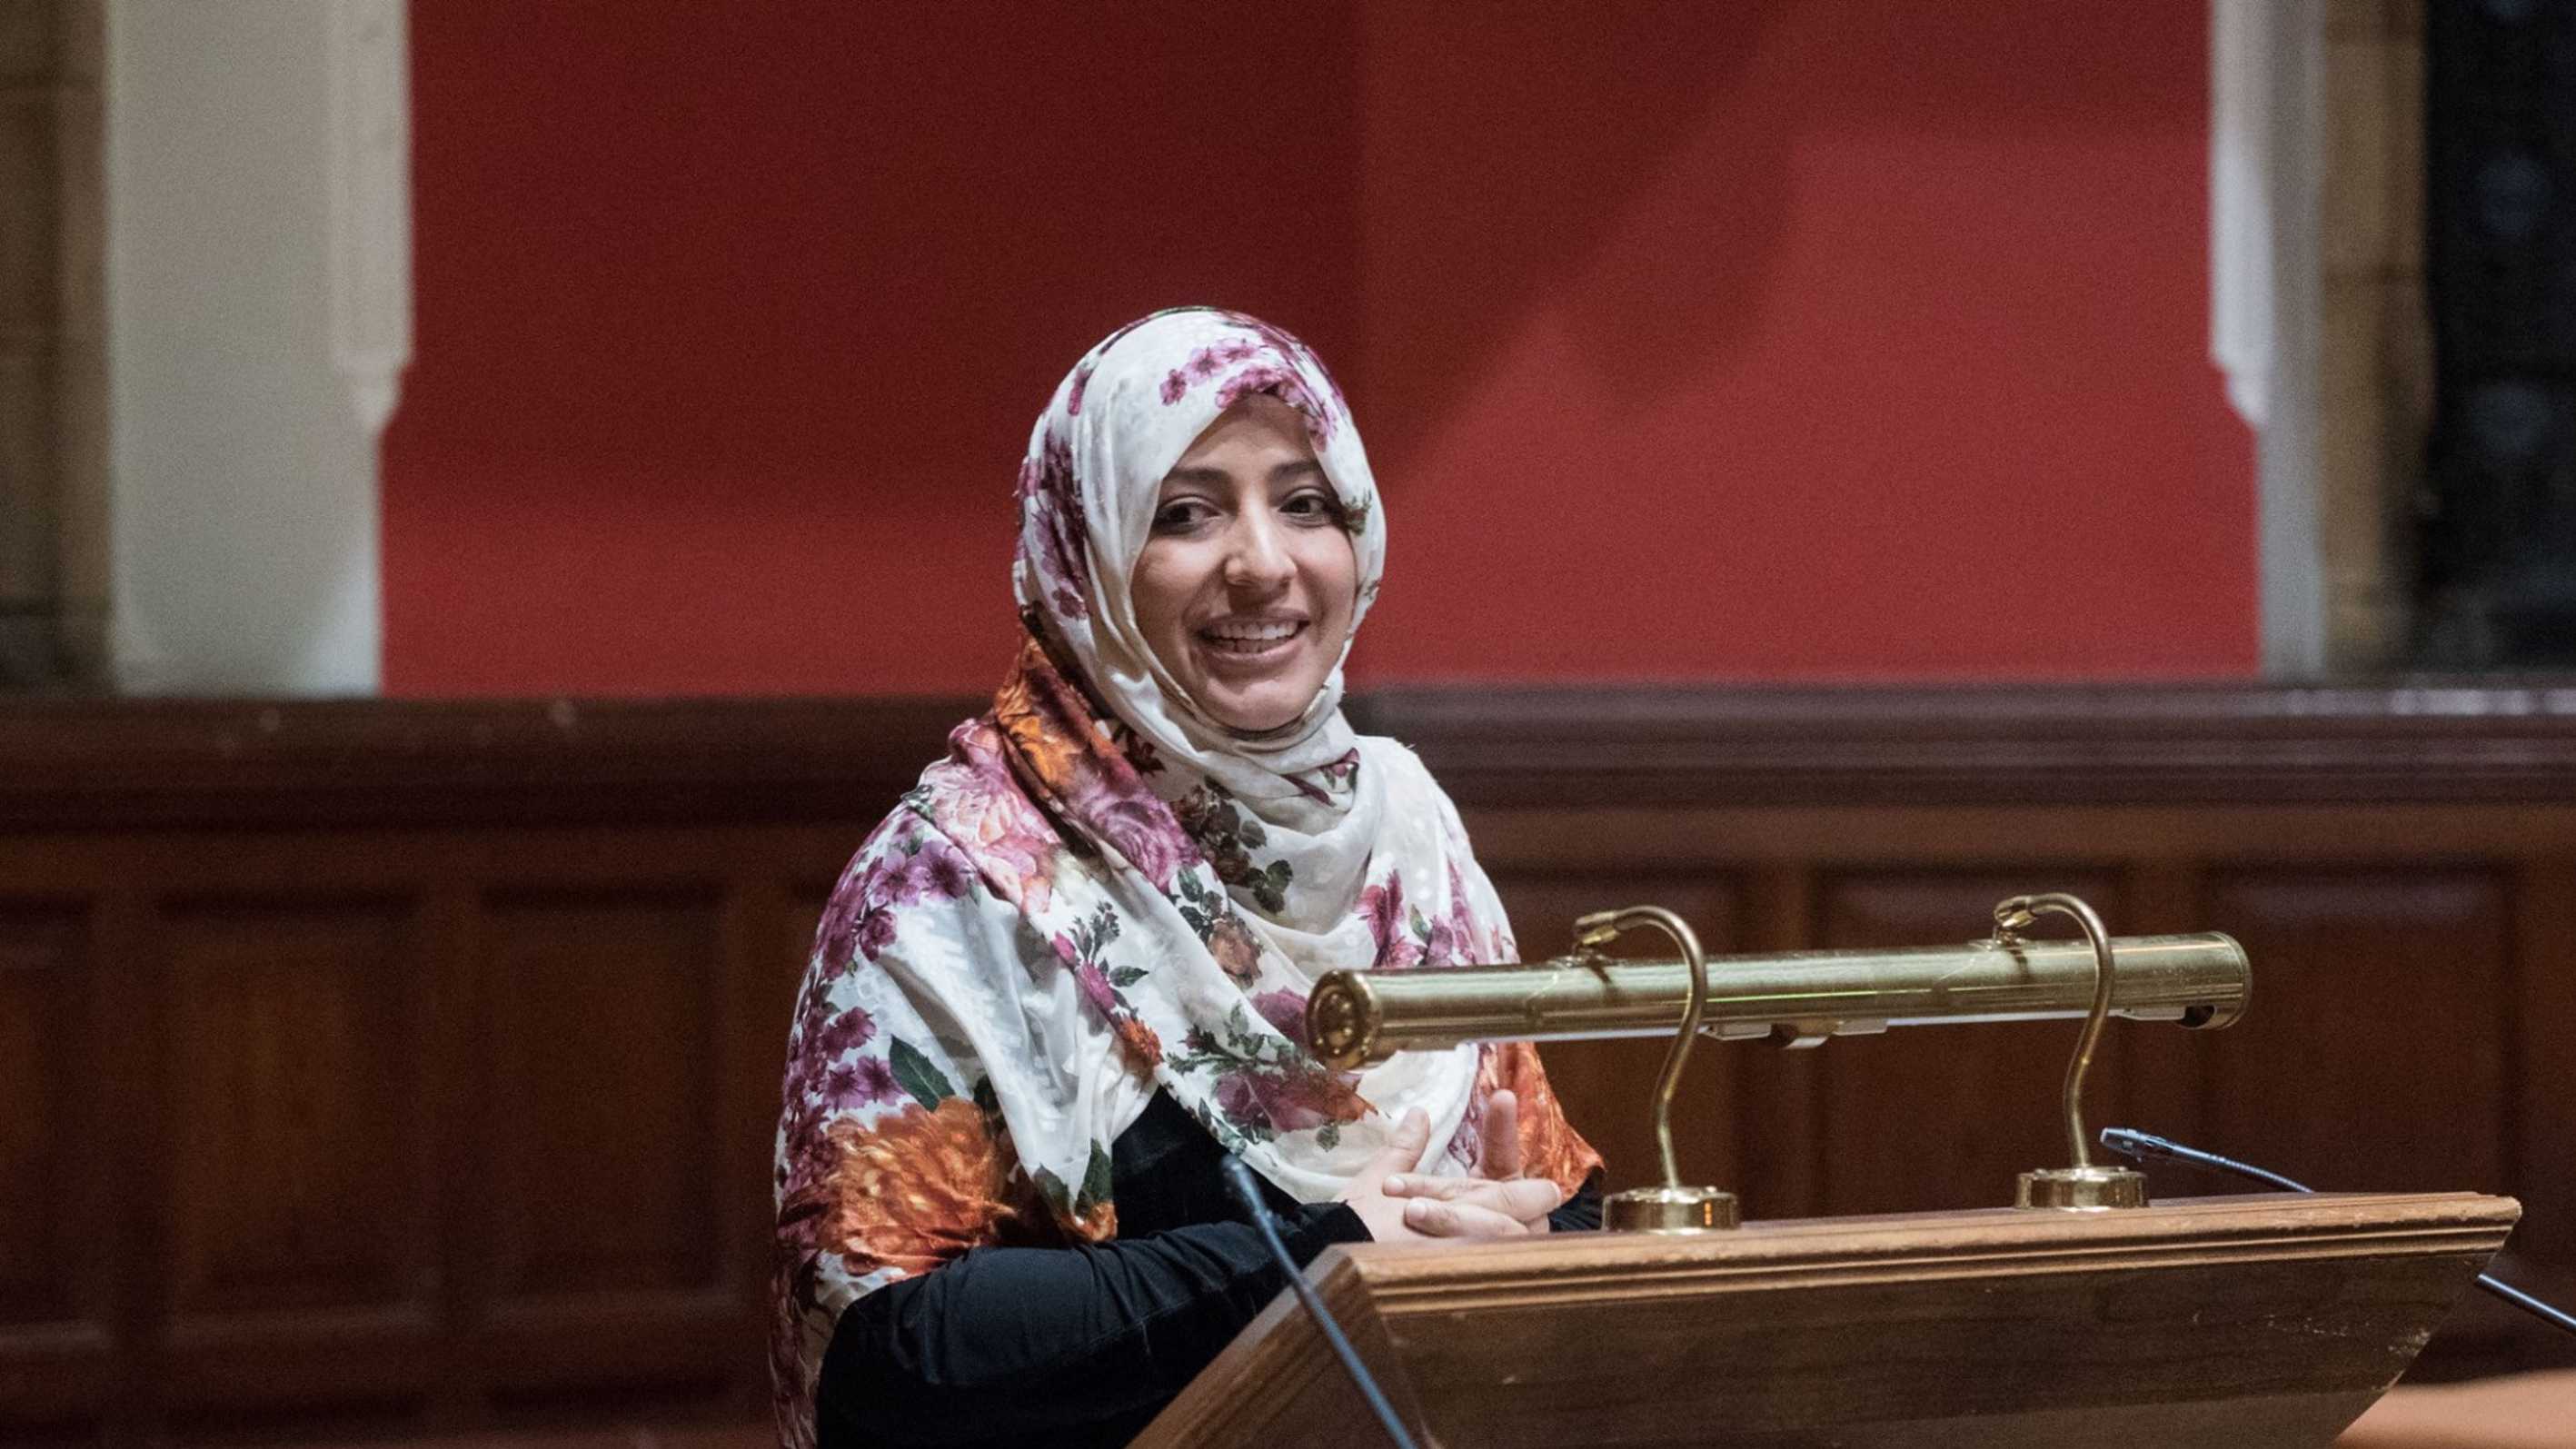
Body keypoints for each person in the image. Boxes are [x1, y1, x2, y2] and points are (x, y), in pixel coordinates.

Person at [771, 309, 1602, 1449]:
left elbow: (1555, 1184)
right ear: (1088, 554)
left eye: (1306, 503)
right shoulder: (948, 879)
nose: (1264, 563)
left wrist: (1523, 1243)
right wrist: (1324, 1262)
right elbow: (895, 1352)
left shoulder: (1406, 832)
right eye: (1186, 512)